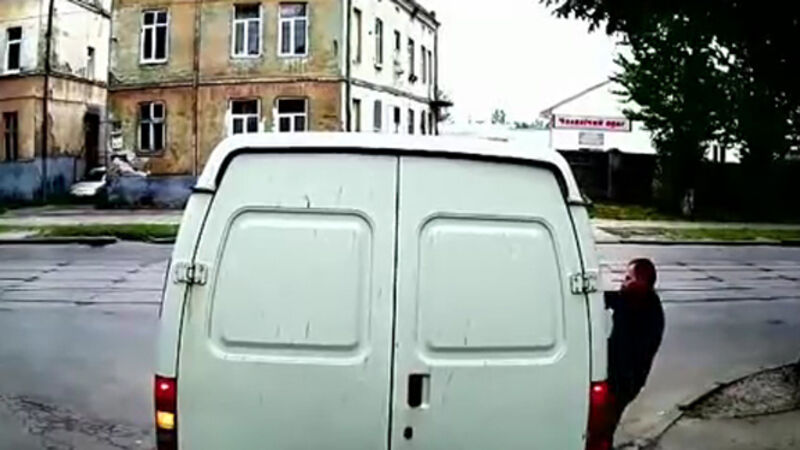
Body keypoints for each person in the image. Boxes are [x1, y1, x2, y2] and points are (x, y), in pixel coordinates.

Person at [605, 258, 665, 436]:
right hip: (623, 380)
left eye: (628, 278)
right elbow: (606, 299)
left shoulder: (648, 312)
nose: (623, 282)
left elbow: (630, 352)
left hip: (623, 382)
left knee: (605, 425)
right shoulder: (635, 299)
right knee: (605, 424)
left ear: (641, 281)